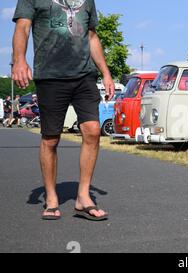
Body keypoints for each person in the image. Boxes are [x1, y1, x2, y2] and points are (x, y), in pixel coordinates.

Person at [12, 0, 115, 221]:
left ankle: (83, 197)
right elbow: (22, 26)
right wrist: (19, 60)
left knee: (93, 130)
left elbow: (92, 35)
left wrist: (105, 72)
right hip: (50, 76)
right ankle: (51, 198)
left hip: (84, 75)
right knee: (50, 139)